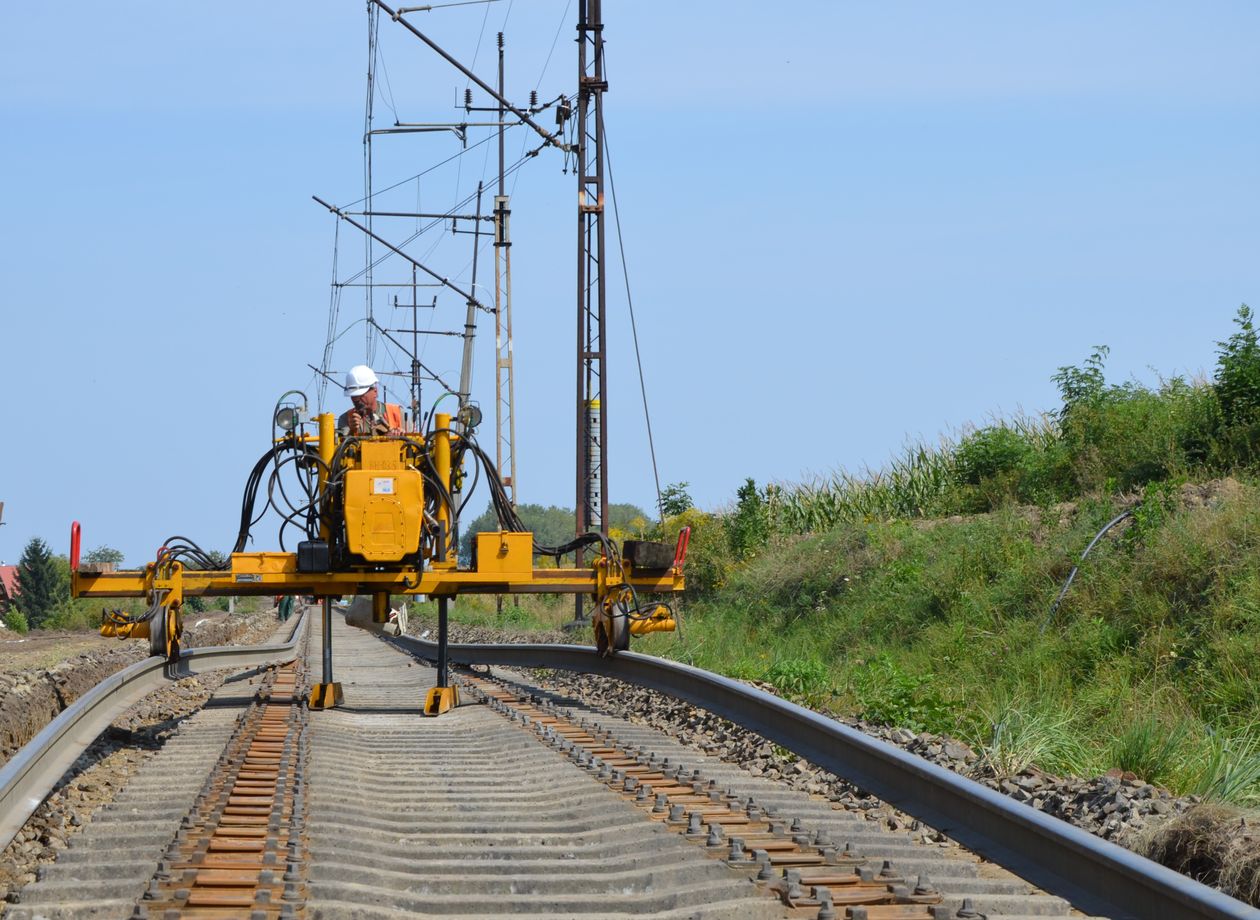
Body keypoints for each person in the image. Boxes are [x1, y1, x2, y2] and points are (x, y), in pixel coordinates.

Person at [338, 365, 404, 437]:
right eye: (353, 396)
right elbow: (342, 447)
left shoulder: (397, 413)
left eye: (360, 394)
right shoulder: (345, 419)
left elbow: (414, 444)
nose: (356, 399)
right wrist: (352, 431)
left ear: (375, 391)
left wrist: (400, 435)